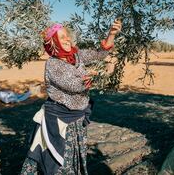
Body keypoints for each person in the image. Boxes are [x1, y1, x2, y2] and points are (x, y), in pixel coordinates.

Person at [20, 19, 122, 175]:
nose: (67, 39)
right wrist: (97, 75)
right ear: (53, 43)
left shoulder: (76, 55)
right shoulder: (53, 64)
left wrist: (111, 34)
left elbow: (99, 54)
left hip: (76, 118)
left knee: (73, 163)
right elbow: (74, 85)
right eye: (62, 37)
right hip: (59, 120)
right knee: (57, 163)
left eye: (67, 36)